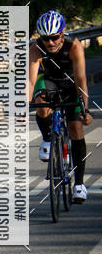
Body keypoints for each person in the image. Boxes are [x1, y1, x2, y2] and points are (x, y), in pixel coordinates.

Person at [28, 10, 92, 202]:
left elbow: (81, 79)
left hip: (71, 85)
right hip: (50, 82)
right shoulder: (36, 48)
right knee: (40, 98)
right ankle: (48, 138)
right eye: (45, 39)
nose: (50, 43)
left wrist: (85, 109)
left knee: (75, 128)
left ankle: (79, 185)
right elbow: (30, 82)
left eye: (54, 38)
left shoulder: (74, 47)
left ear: (62, 33)